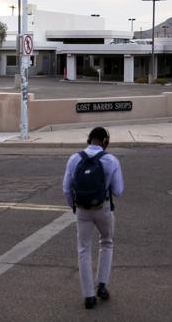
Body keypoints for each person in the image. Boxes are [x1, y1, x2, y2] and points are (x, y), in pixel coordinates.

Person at [62, 126, 124, 310]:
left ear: (89, 139)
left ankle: (89, 296)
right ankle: (102, 286)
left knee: (83, 249)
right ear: (105, 142)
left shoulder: (74, 159)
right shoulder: (111, 160)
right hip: (103, 208)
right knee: (106, 242)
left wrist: (74, 206)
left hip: (82, 209)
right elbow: (118, 191)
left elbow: (66, 188)